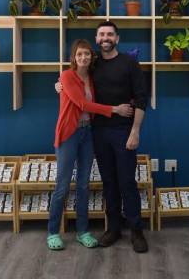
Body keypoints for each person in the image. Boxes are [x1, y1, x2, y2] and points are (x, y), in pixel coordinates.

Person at [56, 21, 149, 253]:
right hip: (97, 132)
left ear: (117, 38)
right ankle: (114, 228)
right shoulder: (93, 62)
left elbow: (140, 99)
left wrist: (135, 131)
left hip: (124, 131)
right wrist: (59, 85)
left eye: (109, 34)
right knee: (109, 182)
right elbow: (74, 79)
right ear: (97, 39)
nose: (105, 38)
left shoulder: (130, 63)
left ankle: (136, 230)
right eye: (101, 34)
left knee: (127, 182)